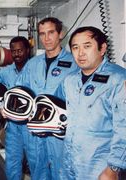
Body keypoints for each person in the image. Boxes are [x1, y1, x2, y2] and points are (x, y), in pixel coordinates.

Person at [56, 26, 126, 179]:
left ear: (102, 48)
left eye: (87, 46)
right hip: (70, 162)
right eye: (75, 47)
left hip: (100, 167)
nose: (80, 53)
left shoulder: (119, 79)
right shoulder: (70, 80)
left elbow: (124, 129)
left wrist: (114, 168)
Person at [15, 17, 79, 180]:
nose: (46, 38)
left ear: (60, 34)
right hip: (35, 131)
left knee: (62, 172)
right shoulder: (32, 64)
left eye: (51, 33)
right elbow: (19, 90)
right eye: (42, 34)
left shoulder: (75, 62)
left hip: (61, 133)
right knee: (38, 171)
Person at [0, 36, 31, 179]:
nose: (17, 54)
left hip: (32, 125)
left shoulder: (37, 69)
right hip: (12, 125)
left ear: (27, 50)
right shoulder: (4, 72)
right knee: (12, 163)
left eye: (20, 50)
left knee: (38, 163)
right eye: (13, 51)